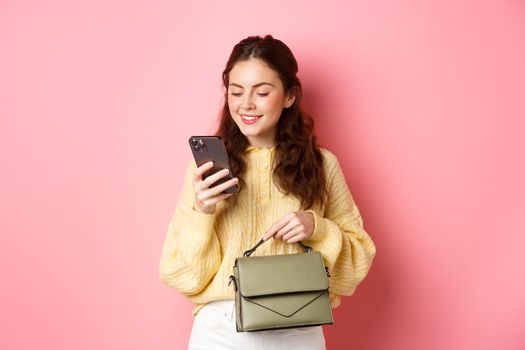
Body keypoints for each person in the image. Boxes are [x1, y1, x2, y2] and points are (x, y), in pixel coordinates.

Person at [159, 34, 376, 350]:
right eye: (236, 92)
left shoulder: (322, 165)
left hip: (299, 327)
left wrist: (317, 227)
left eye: (261, 92)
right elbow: (181, 275)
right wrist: (202, 214)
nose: (246, 103)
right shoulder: (204, 171)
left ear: (289, 96)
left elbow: (356, 265)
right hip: (221, 330)